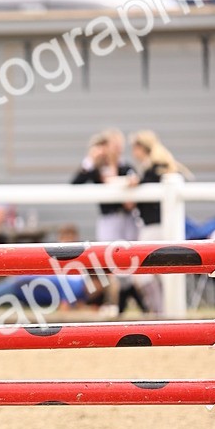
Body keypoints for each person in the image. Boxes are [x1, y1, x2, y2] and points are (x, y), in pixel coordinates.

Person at [71, 128, 147, 314]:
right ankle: (133, 303)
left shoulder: (125, 166)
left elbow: (135, 180)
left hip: (128, 218)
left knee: (130, 257)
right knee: (112, 259)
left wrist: (132, 183)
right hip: (109, 219)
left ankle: (128, 303)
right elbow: (75, 183)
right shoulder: (97, 168)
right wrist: (90, 159)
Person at [126, 130, 191, 314]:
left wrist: (137, 184)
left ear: (141, 148)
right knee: (155, 274)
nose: (132, 152)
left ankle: (163, 313)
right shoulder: (157, 167)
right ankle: (163, 312)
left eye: (134, 148)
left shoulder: (156, 168)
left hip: (156, 228)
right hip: (157, 227)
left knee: (146, 274)